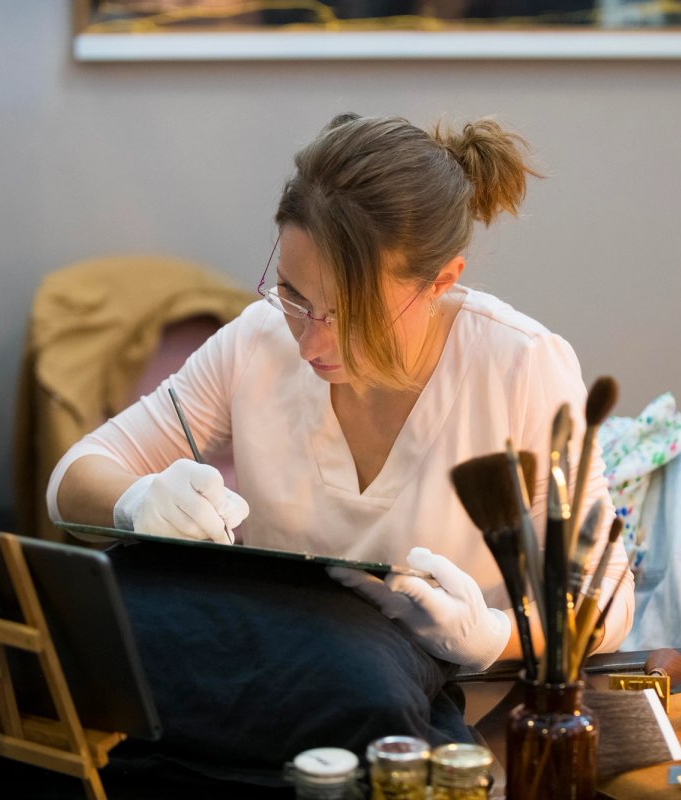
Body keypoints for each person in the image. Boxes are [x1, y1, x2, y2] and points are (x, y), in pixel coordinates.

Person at [47, 112, 633, 672]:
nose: (308, 343)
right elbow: (72, 479)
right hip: (281, 699)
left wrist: (495, 636)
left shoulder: (519, 365)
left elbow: (604, 598)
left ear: (441, 282)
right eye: (293, 294)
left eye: (351, 314)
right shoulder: (259, 341)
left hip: (452, 734)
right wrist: (138, 503)